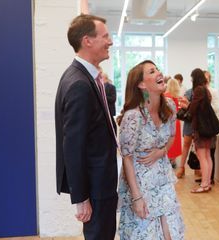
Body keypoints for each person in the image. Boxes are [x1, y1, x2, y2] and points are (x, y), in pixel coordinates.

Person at [55, 14, 118, 240]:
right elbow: (72, 145)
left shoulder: (84, 78)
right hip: (96, 186)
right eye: (105, 36)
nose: (110, 41)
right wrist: (81, 198)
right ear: (87, 41)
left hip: (100, 183)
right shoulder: (79, 84)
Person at [117, 60, 184, 239]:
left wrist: (161, 152)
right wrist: (137, 197)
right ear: (141, 84)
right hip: (140, 182)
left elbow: (171, 137)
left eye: (158, 69)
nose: (159, 73)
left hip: (163, 178)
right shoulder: (133, 116)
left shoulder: (169, 106)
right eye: (152, 71)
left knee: (171, 232)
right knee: (146, 233)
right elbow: (127, 158)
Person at [189, 68, 216, 193]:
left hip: (201, 128)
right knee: (207, 156)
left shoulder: (198, 90)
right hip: (208, 127)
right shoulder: (206, 90)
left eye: (192, 78)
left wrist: (186, 105)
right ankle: (207, 183)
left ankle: (204, 184)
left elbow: (193, 109)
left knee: (202, 156)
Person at [204, 70, 219, 184]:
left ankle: (210, 178)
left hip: (211, 127)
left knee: (211, 153)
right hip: (203, 126)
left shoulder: (213, 91)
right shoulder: (200, 91)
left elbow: (216, 107)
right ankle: (206, 177)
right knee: (204, 153)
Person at [164, 78, 182, 166]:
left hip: (167, 122)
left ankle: (168, 159)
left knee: (168, 140)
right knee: (175, 141)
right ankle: (173, 160)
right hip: (176, 121)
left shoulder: (165, 96)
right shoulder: (178, 97)